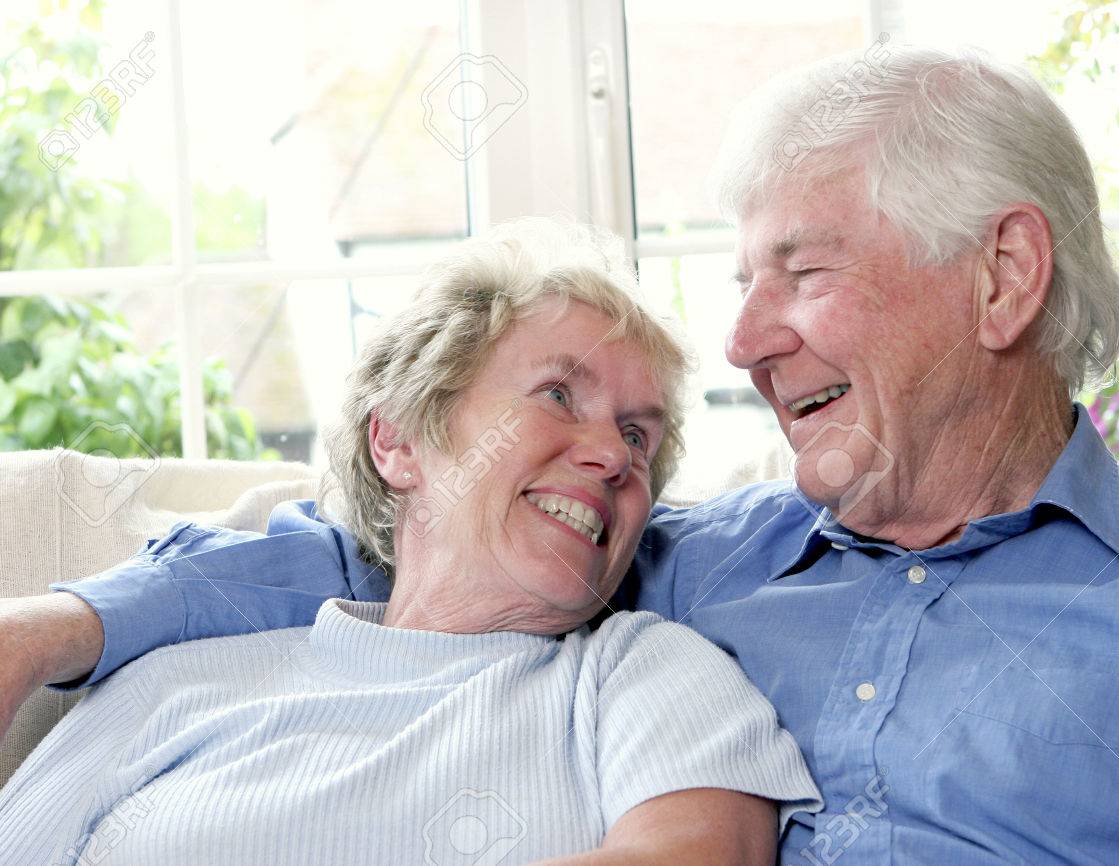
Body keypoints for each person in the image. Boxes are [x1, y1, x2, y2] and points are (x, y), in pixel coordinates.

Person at [3, 45, 1119, 865]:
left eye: (800, 271)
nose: (738, 339)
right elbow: (407, 547)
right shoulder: (678, 561)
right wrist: (57, 625)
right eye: (741, 282)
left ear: (1004, 276)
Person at [0, 221, 821, 865]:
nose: (613, 455)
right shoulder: (174, 683)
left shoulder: (646, 674)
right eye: (560, 394)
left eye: (639, 436)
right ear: (398, 441)